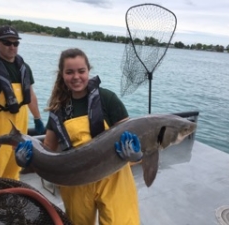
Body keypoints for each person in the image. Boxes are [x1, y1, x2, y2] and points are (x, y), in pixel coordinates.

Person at [16, 48, 142, 224]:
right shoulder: (58, 109)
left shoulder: (108, 99)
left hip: (115, 178)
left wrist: (136, 155)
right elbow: (48, 149)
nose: (76, 77)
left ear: (88, 70)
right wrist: (28, 161)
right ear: (62, 74)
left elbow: (134, 136)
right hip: (76, 182)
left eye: (81, 71)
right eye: (70, 72)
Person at [0, 25, 45, 180]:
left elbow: (30, 96)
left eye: (15, 43)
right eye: (7, 43)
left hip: (21, 122)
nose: (12, 47)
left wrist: (38, 118)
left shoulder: (24, 68)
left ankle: (10, 198)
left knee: (16, 164)